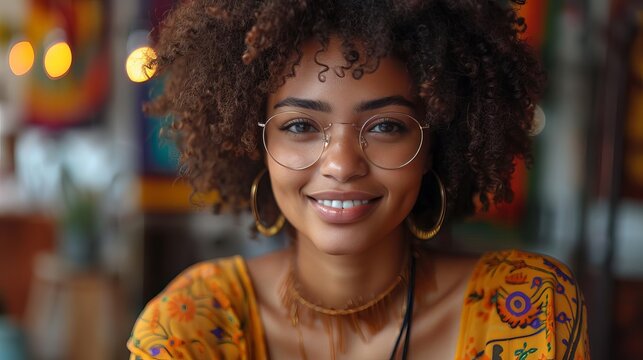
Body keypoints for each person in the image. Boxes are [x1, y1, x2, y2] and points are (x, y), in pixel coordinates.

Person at [127, 0, 590, 359]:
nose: (342, 164)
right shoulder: (189, 328)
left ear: (434, 145)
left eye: (387, 126)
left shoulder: (526, 315)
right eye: (301, 126)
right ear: (255, 143)